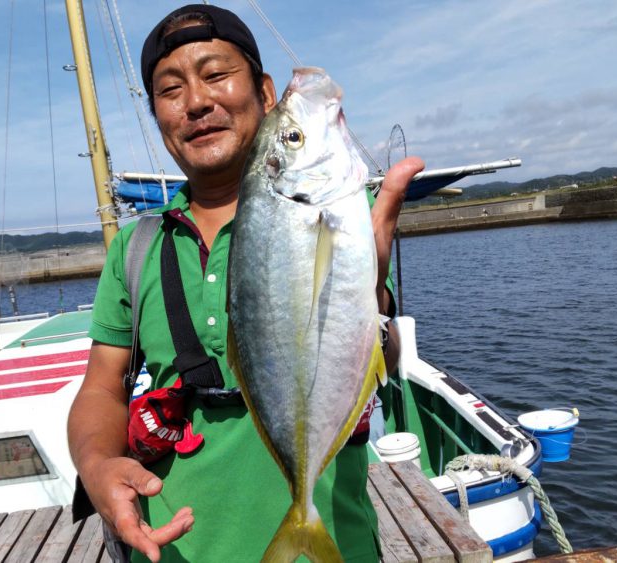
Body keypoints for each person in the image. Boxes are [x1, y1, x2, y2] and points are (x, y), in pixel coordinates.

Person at [67, 4, 425, 562]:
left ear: (263, 91)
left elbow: (379, 358)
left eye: (216, 75)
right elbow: (101, 388)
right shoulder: (133, 249)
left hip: (337, 544)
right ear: (158, 115)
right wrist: (96, 465)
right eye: (170, 89)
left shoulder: (344, 217)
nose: (196, 102)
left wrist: (370, 288)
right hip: (173, 549)